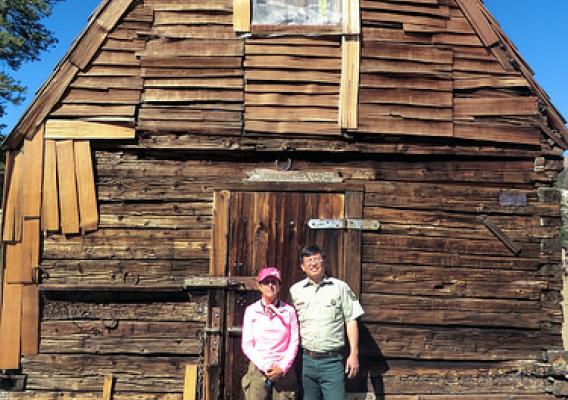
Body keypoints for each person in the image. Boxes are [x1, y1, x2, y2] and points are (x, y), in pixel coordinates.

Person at [289, 245, 364, 400]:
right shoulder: (295, 291)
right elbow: (289, 324)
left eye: (317, 259)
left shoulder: (340, 287)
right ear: (302, 267)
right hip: (306, 362)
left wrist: (354, 354)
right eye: (309, 260)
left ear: (324, 262)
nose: (314, 263)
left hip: (332, 362)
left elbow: (351, 320)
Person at [241, 267, 299, 400]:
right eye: (266, 282)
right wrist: (266, 365)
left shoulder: (289, 311)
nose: (270, 286)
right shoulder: (252, 311)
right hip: (258, 367)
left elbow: (294, 341)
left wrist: (282, 367)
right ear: (260, 286)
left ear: (279, 287)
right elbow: (247, 344)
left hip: (284, 369)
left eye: (274, 282)